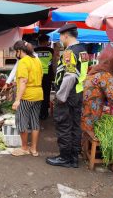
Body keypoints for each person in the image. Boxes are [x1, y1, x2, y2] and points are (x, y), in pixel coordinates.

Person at [46, 23, 89, 168]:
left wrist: (60, 96)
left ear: (66, 35)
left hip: (68, 94)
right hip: (78, 92)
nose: (60, 38)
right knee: (75, 126)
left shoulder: (69, 52)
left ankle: (65, 158)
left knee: (63, 124)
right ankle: (74, 158)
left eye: (60, 36)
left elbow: (70, 76)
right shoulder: (83, 50)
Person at [11, 40, 43, 157]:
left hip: (26, 96)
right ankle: (33, 149)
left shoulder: (23, 62)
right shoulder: (36, 60)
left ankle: (24, 148)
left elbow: (24, 81)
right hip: (38, 94)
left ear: (20, 51)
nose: (16, 54)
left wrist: (17, 100)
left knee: (21, 121)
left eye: (16, 51)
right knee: (35, 122)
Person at [34, 34, 54, 120]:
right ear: (46, 41)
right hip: (47, 76)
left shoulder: (35, 50)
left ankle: (36, 113)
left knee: (37, 94)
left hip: (37, 75)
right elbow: (53, 61)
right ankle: (44, 113)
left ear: (39, 41)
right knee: (46, 94)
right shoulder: (51, 51)